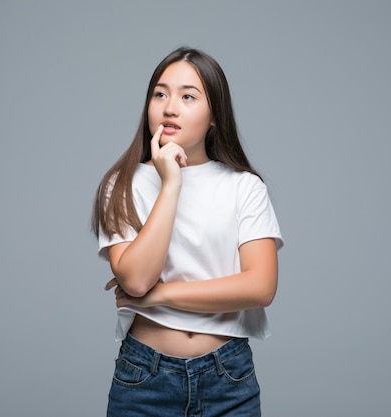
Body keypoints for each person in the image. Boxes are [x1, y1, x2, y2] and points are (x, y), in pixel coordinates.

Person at [92, 47, 284, 417]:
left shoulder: (244, 187)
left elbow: (260, 287)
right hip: (144, 379)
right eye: (160, 94)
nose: (169, 107)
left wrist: (158, 297)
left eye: (188, 96)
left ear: (215, 116)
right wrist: (170, 185)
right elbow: (135, 279)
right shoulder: (121, 184)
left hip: (228, 379)